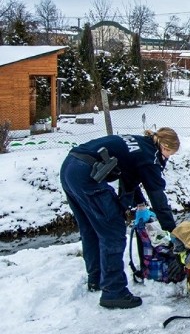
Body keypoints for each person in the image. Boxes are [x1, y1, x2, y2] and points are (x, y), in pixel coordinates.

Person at [59, 128, 180, 309]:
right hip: (87, 176)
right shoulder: (151, 157)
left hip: (71, 168)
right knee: (113, 231)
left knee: (91, 229)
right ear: (163, 146)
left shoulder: (140, 144)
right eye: (169, 153)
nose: (168, 158)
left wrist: (139, 204)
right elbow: (159, 200)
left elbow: (129, 176)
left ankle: (97, 279)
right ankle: (114, 291)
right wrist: (173, 233)